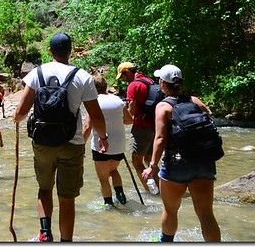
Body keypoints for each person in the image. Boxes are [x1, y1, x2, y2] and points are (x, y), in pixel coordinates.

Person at [13, 32, 108, 243]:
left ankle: (45, 234)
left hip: (43, 142)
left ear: (50, 51)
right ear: (70, 51)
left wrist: (17, 120)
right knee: (67, 198)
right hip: (72, 143)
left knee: (44, 188)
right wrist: (103, 137)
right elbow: (96, 116)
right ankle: (66, 241)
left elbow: (20, 112)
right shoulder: (82, 76)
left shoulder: (36, 74)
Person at [141, 65, 221, 242]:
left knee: (170, 210)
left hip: (176, 165)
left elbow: (160, 138)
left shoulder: (163, 107)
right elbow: (209, 123)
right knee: (206, 213)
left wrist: (152, 166)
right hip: (203, 162)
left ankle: (167, 242)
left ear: (162, 83)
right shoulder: (196, 101)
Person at [83, 73, 133, 206]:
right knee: (113, 171)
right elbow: (129, 120)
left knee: (103, 178)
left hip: (101, 145)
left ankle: (109, 204)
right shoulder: (117, 100)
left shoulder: (94, 103)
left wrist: (80, 146)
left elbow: (88, 127)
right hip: (119, 143)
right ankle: (120, 195)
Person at [116, 61, 159, 193]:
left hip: (142, 127)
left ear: (127, 72)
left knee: (136, 160)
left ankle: (150, 192)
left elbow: (132, 111)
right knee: (150, 160)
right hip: (155, 125)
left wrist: (121, 116)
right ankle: (162, 189)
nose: (123, 80)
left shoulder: (133, 85)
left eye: (122, 76)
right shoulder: (149, 81)